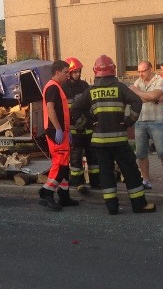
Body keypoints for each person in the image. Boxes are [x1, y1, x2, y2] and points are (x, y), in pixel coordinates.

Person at [71, 55, 154, 215]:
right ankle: (139, 205)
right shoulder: (120, 88)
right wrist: (129, 121)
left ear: (96, 71)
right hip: (119, 140)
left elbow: (75, 109)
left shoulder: (91, 91)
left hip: (99, 142)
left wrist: (87, 123)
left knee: (106, 173)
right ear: (113, 70)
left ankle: (112, 207)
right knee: (130, 171)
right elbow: (137, 102)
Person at [39, 60, 79, 210]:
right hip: (55, 131)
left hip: (59, 131)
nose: (68, 75)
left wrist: (65, 131)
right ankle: (46, 192)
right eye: (66, 72)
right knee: (60, 164)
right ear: (57, 73)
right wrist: (58, 129)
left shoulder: (55, 87)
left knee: (63, 163)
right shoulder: (53, 87)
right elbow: (51, 110)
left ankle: (64, 196)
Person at [131, 61, 163, 194]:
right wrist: (148, 97)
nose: (140, 74)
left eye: (143, 71)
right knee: (141, 153)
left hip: (157, 122)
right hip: (140, 121)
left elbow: (154, 95)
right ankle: (146, 180)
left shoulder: (160, 81)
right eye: (139, 71)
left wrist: (139, 93)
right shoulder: (138, 82)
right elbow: (138, 99)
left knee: (162, 152)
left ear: (150, 69)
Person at [62, 57, 99, 194]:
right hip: (74, 129)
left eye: (79, 71)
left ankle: (96, 181)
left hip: (88, 126)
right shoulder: (64, 88)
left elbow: (91, 103)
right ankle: (78, 182)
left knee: (93, 155)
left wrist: (90, 119)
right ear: (69, 73)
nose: (77, 74)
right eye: (74, 72)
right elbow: (66, 110)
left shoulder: (84, 85)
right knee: (76, 157)